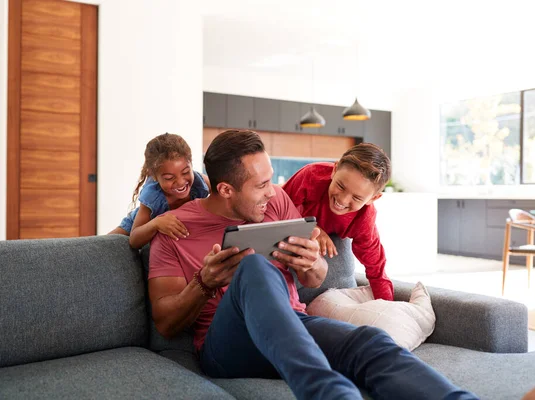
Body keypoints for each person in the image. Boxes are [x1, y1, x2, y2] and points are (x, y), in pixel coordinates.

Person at [147, 129, 478, 400]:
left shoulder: (276, 202)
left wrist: (309, 263)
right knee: (254, 267)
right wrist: (204, 283)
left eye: (271, 180)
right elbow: (165, 323)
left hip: (293, 326)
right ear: (225, 189)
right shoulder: (174, 228)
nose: (272, 192)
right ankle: (327, 393)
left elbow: (316, 276)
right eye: (261, 186)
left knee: (371, 343)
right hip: (227, 344)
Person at [282, 143, 394, 301]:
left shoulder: (364, 219)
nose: (342, 199)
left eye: (356, 198)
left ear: (373, 198)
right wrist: (312, 228)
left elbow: (377, 270)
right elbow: (278, 210)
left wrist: (388, 308)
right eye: (340, 186)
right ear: (334, 170)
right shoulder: (311, 175)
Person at [108, 133, 210, 249]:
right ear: (155, 177)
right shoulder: (152, 195)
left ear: (191, 165)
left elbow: (223, 192)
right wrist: (156, 223)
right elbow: (134, 239)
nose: (181, 182)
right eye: (169, 178)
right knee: (103, 245)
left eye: (186, 172)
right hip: (144, 221)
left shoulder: (199, 182)